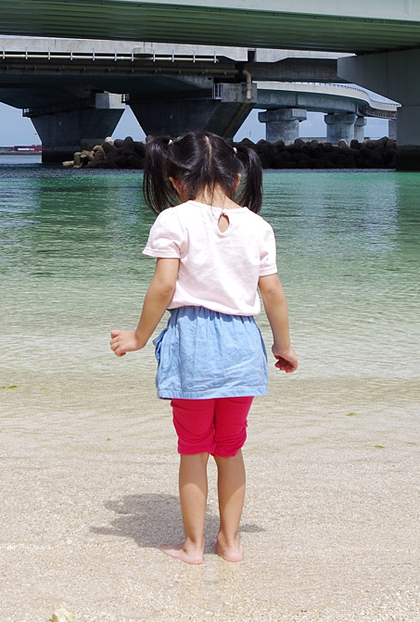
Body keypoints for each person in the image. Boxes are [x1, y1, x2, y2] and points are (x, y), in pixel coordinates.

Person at [110, 131, 298, 565]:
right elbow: (272, 292)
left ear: (176, 179)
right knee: (230, 447)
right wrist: (283, 346)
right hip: (242, 343)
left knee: (193, 447)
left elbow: (163, 285)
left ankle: (193, 545)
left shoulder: (175, 220)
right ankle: (230, 543)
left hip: (193, 342)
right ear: (236, 177)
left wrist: (138, 336)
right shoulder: (258, 225)